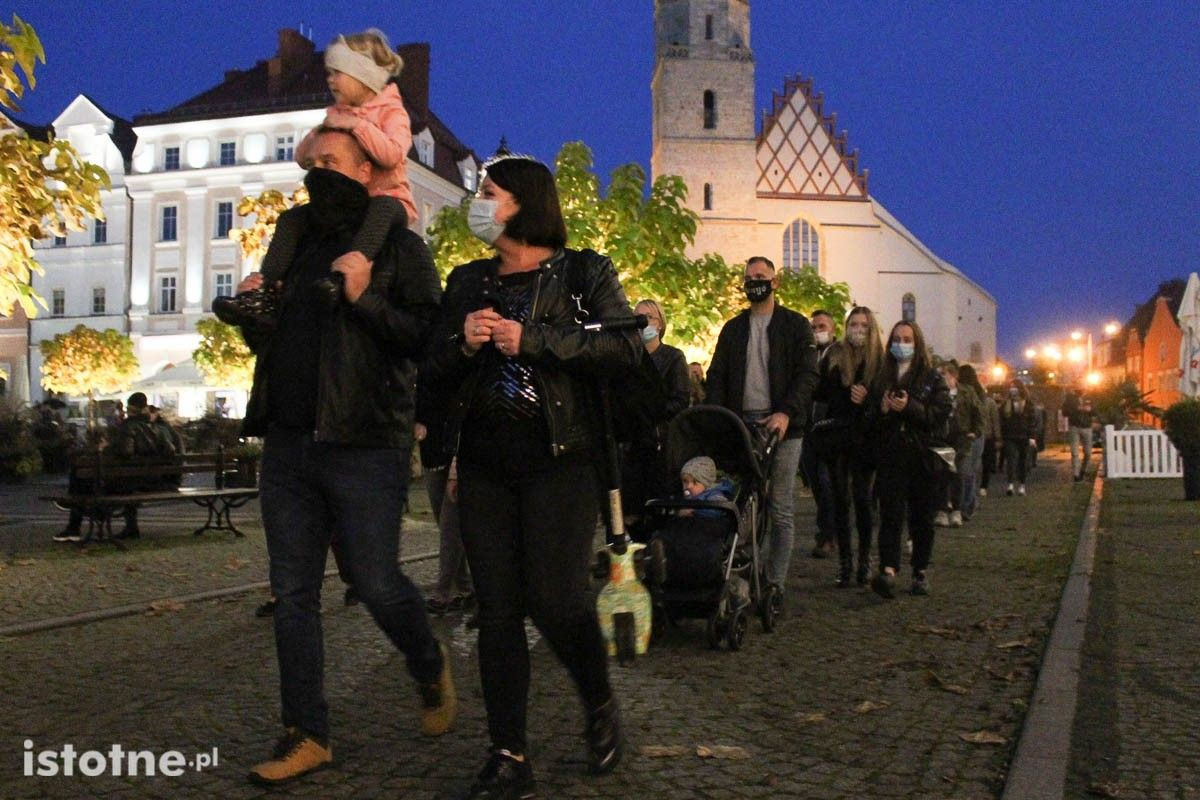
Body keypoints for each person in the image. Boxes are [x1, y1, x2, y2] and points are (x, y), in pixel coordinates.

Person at [233, 127, 453, 786]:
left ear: (365, 170)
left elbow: (427, 337)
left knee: (375, 581)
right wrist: (252, 314)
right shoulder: (292, 244)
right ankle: (306, 733)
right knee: (294, 594)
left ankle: (424, 660)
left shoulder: (397, 247)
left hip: (364, 442)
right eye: (310, 163)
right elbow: (280, 342)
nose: (317, 171)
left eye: (331, 162)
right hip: (289, 442)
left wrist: (363, 298)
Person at [422, 154, 640, 798]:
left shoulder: (584, 272)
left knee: (556, 600)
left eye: (488, 192)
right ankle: (508, 751)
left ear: (524, 202)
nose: (478, 202)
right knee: (496, 611)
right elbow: (430, 371)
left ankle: (598, 700)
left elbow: (625, 348)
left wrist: (534, 340)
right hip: (486, 466)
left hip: (562, 462)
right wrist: (462, 343)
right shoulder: (466, 280)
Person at [260, 28, 417, 287]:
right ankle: (266, 284)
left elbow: (392, 155)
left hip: (391, 201)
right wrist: (319, 133)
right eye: (328, 73)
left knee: (382, 208)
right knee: (293, 218)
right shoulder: (336, 113)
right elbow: (302, 157)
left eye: (338, 73)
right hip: (344, 204)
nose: (330, 80)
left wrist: (357, 125)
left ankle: (349, 269)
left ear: (362, 76)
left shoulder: (393, 112)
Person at [706, 256, 819, 600]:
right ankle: (739, 569)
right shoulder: (733, 328)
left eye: (761, 276)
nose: (754, 281)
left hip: (784, 428)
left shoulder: (795, 326)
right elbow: (718, 376)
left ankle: (774, 583)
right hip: (742, 427)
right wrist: (720, 418)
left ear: (774, 282)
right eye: (749, 277)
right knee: (740, 502)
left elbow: (807, 375)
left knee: (781, 507)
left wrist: (786, 412)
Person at [870, 320, 952, 598]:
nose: (901, 344)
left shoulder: (932, 378)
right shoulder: (882, 376)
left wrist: (909, 408)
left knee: (922, 518)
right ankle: (889, 569)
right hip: (892, 455)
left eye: (907, 339)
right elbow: (871, 421)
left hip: (922, 456)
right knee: (890, 514)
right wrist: (882, 410)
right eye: (897, 339)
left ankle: (920, 571)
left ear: (916, 344)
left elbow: (938, 417)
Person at [812, 306, 884, 586]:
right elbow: (820, 392)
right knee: (840, 500)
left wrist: (868, 397)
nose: (858, 329)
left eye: (863, 325)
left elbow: (883, 397)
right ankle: (845, 563)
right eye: (853, 324)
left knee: (863, 501)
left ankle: (864, 561)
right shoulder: (835, 355)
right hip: (839, 437)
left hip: (866, 438)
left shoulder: (879, 360)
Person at [620, 298, 690, 537]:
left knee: (655, 509)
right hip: (630, 445)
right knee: (629, 513)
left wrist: (650, 411)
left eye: (647, 317)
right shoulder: (627, 358)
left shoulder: (672, 358)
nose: (641, 322)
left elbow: (680, 400)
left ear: (659, 324)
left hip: (659, 445)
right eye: (637, 317)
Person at [105, 392, 178, 539]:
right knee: (126, 480)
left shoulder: (129, 426)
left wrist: (106, 448)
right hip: (155, 480)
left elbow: (125, 452)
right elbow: (171, 450)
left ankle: (76, 526)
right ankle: (130, 527)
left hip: (134, 482)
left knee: (95, 482)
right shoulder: (154, 427)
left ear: (130, 408)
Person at [804, 309, 838, 559]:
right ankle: (829, 530)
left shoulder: (838, 354)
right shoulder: (808, 354)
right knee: (816, 482)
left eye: (822, 326)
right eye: (814, 327)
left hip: (829, 428)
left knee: (827, 483)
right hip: (808, 428)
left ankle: (828, 535)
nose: (818, 331)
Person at [934, 362, 983, 528]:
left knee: (958, 474)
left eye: (943, 375)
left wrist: (975, 432)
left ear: (952, 376)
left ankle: (956, 510)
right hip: (942, 438)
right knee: (942, 474)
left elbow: (978, 413)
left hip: (961, 439)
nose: (941, 378)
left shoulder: (967, 392)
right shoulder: (937, 393)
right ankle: (942, 510)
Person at [956, 365, 990, 518]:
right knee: (970, 470)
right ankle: (970, 503)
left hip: (970, 434)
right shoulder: (980, 391)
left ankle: (966, 505)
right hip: (977, 435)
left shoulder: (967, 392)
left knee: (966, 471)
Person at [1000, 380, 1038, 496]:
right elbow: (1001, 419)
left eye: (1015, 387)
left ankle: (1022, 485)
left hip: (1024, 436)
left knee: (1023, 460)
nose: (1013, 390)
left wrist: (1032, 437)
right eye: (1011, 387)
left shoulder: (1028, 404)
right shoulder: (1006, 404)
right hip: (1010, 436)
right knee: (1011, 459)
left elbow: (1032, 421)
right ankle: (1010, 484)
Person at [1062, 388, 1095, 481]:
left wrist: (1090, 410)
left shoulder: (1091, 396)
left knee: (1088, 452)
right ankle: (1076, 474)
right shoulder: (1070, 398)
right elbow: (1064, 412)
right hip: (1074, 426)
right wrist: (1076, 410)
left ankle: (1083, 470)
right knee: (1074, 452)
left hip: (1087, 427)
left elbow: (1096, 410)